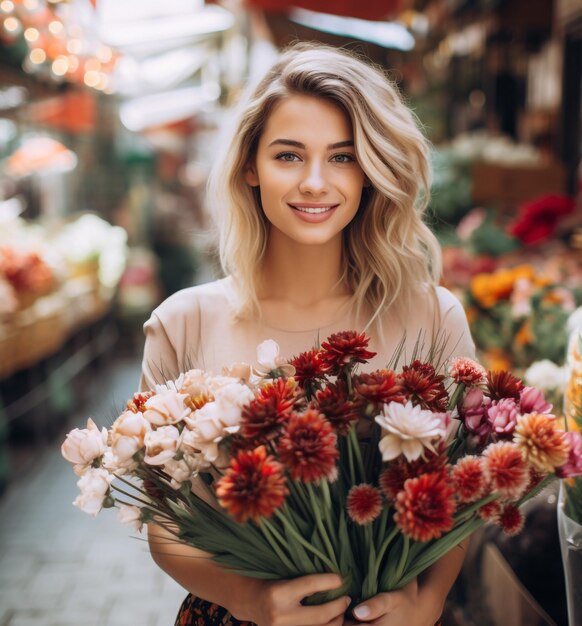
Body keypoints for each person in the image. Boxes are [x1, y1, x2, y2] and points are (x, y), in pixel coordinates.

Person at [140, 42, 476, 626]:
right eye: (289, 156)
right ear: (251, 166)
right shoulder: (182, 321)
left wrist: (427, 604)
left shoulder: (433, 317)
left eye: (343, 157)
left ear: (372, 169)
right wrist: (247, 599)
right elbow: (163, 523)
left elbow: (460, 493)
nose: (316, 182)